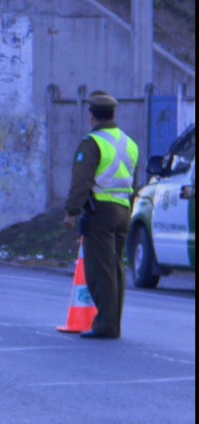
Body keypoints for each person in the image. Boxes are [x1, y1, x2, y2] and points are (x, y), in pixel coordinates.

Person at [62, 90, 138, 340]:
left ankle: (106, 325)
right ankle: (112, 323)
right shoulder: (129, 143)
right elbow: (132, 179)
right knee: (116, 268)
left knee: (100, 271)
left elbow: (81, 180)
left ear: (92, 116)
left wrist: (72, 211)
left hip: (101, 213)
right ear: (113, 114)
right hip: (123, 210)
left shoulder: (93, 142)